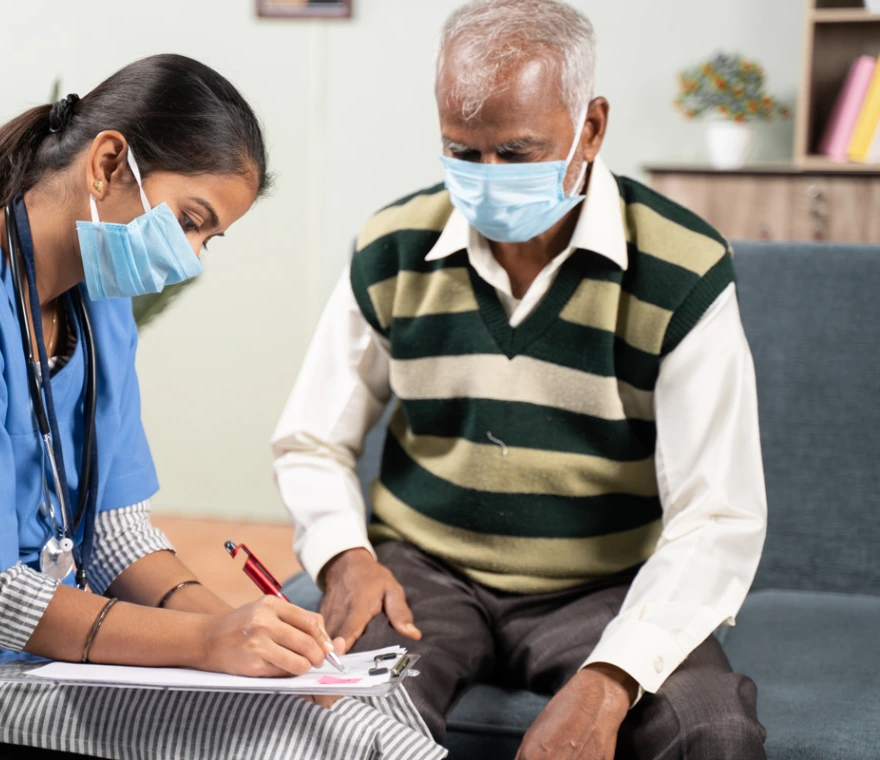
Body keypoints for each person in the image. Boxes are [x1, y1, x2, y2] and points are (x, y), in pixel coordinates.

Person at [0, 54, 444, 760]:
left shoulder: (98, 303)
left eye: (209, 238)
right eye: (189, 220)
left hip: (35, 645)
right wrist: (206, 643)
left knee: (367, 732)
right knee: (307, 745)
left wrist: (255, 637)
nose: (192, 257)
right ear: (108, 162)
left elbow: (117, 537)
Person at [271, 2, 769, 758]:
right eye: (461, 151)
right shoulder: (392, 248)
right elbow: (311, 438)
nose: (486, 178)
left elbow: (718, 514)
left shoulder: (682, 268)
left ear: (591, 127)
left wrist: (611, 677)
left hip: (601, 585)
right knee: (339, 718)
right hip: (422, 575)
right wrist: (346, 555)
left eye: (516, 150)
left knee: (712, 730)